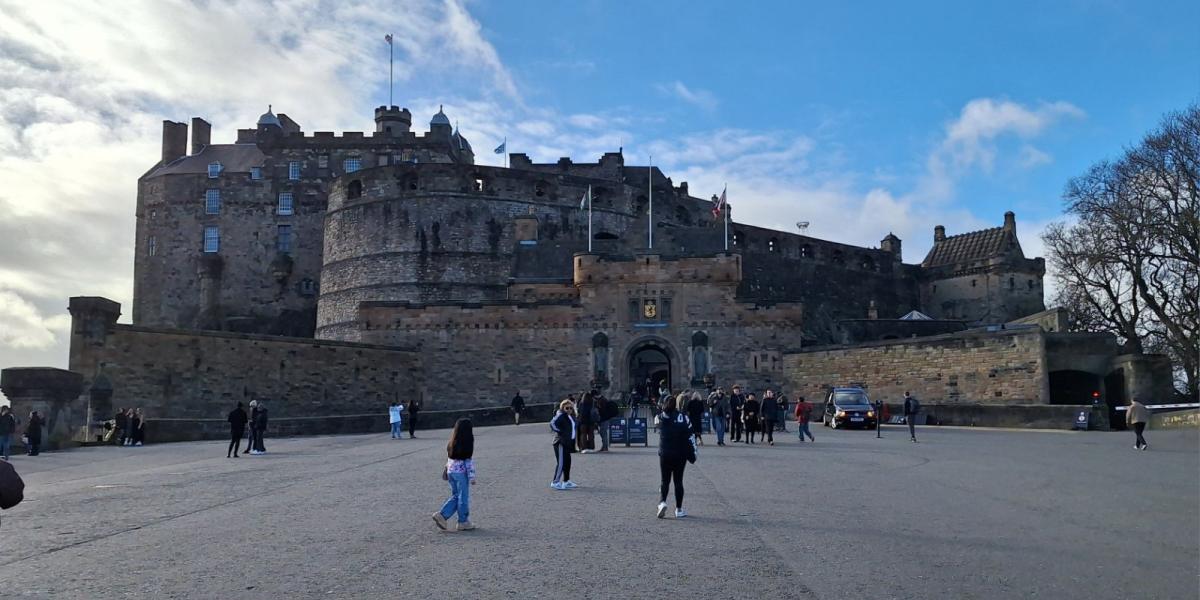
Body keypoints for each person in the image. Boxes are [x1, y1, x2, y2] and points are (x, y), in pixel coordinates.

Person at [655, 393, 696, 519]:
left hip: (665, 452)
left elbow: (657, 425)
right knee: (678, 481)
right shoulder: (684, 417)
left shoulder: (660, 417)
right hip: (680, 452)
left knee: (664, 480)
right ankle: (678, 509)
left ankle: (662, 502)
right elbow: (690, 433)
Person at [432, 418, 477, 532]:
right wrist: (472, 477)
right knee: (463, 498)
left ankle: (442, 516)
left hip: (451, 471)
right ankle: (462, 521)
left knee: (456, 496)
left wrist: (446, 469)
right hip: (461, 473)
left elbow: (449, 458)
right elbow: (468, 462)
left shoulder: (451, 443)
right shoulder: (466, 443)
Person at [549, 399, 578, 490]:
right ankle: (555, 482)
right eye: (567, 408)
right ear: (563, 408)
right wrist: (560, 432)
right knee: (561, 463)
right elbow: (552, 423)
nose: (569, 409)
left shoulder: (571, 416)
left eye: (571, 408)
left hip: (567, 443)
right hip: (560, 442)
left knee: (567, 462)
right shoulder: (561, 415)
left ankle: (566, 481)